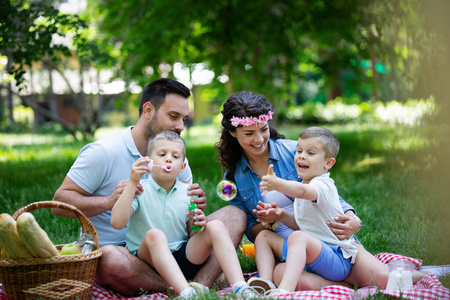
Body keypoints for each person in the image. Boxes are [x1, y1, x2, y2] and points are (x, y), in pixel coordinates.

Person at [52, 78, 247, 295]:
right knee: (108, 259)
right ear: (148, 110)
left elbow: (188, 223)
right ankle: (177, 289)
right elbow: (58, 204)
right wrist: (109, 201)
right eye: (173, 117)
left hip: (177, 249)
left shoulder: (176, 159)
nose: (180, 126)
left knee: (234, 216)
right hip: (127, 253)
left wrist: (196, 214)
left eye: (183, 119)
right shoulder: (103, 152)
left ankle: (199, 287)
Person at [215, 91, 425, 291]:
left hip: (327, 237)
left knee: (385, 280)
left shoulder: (296, 152)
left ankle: (429, 274)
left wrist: (352, 219)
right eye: (249, 133)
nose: (259, 139)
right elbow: (252, 229)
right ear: (233, 132)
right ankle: (346, 288)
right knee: (279, 276)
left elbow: (326, 193)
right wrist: (269, 221)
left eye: (263, 129)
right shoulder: (234, 178)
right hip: (288, 246)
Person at [110, 131, 259, 299]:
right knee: (155, 236)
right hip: (147, 261)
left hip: (182, 257)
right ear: (148, 161)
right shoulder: (139, 189)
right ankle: (187, 293)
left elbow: (192, 232)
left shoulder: (188, 192)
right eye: (162, 154)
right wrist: (131, 183)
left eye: (175, 156)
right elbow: (117, 222)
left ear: (182, 166)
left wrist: (200, 224)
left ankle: (240, 287)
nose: (168, 159)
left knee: (215, 226)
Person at [249, 127, 358, 295]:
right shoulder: (305, 183)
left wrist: (277, 183)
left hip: (335, 257)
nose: (301, 155)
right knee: (263, 236)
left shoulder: (322, 185)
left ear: (328, 163)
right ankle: (265, 282)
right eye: (299, 150)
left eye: (311, 153)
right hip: (311, 254)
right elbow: (302, 225)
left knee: (297, 238)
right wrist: (281, 215)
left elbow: (301, 191)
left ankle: (284, 291)